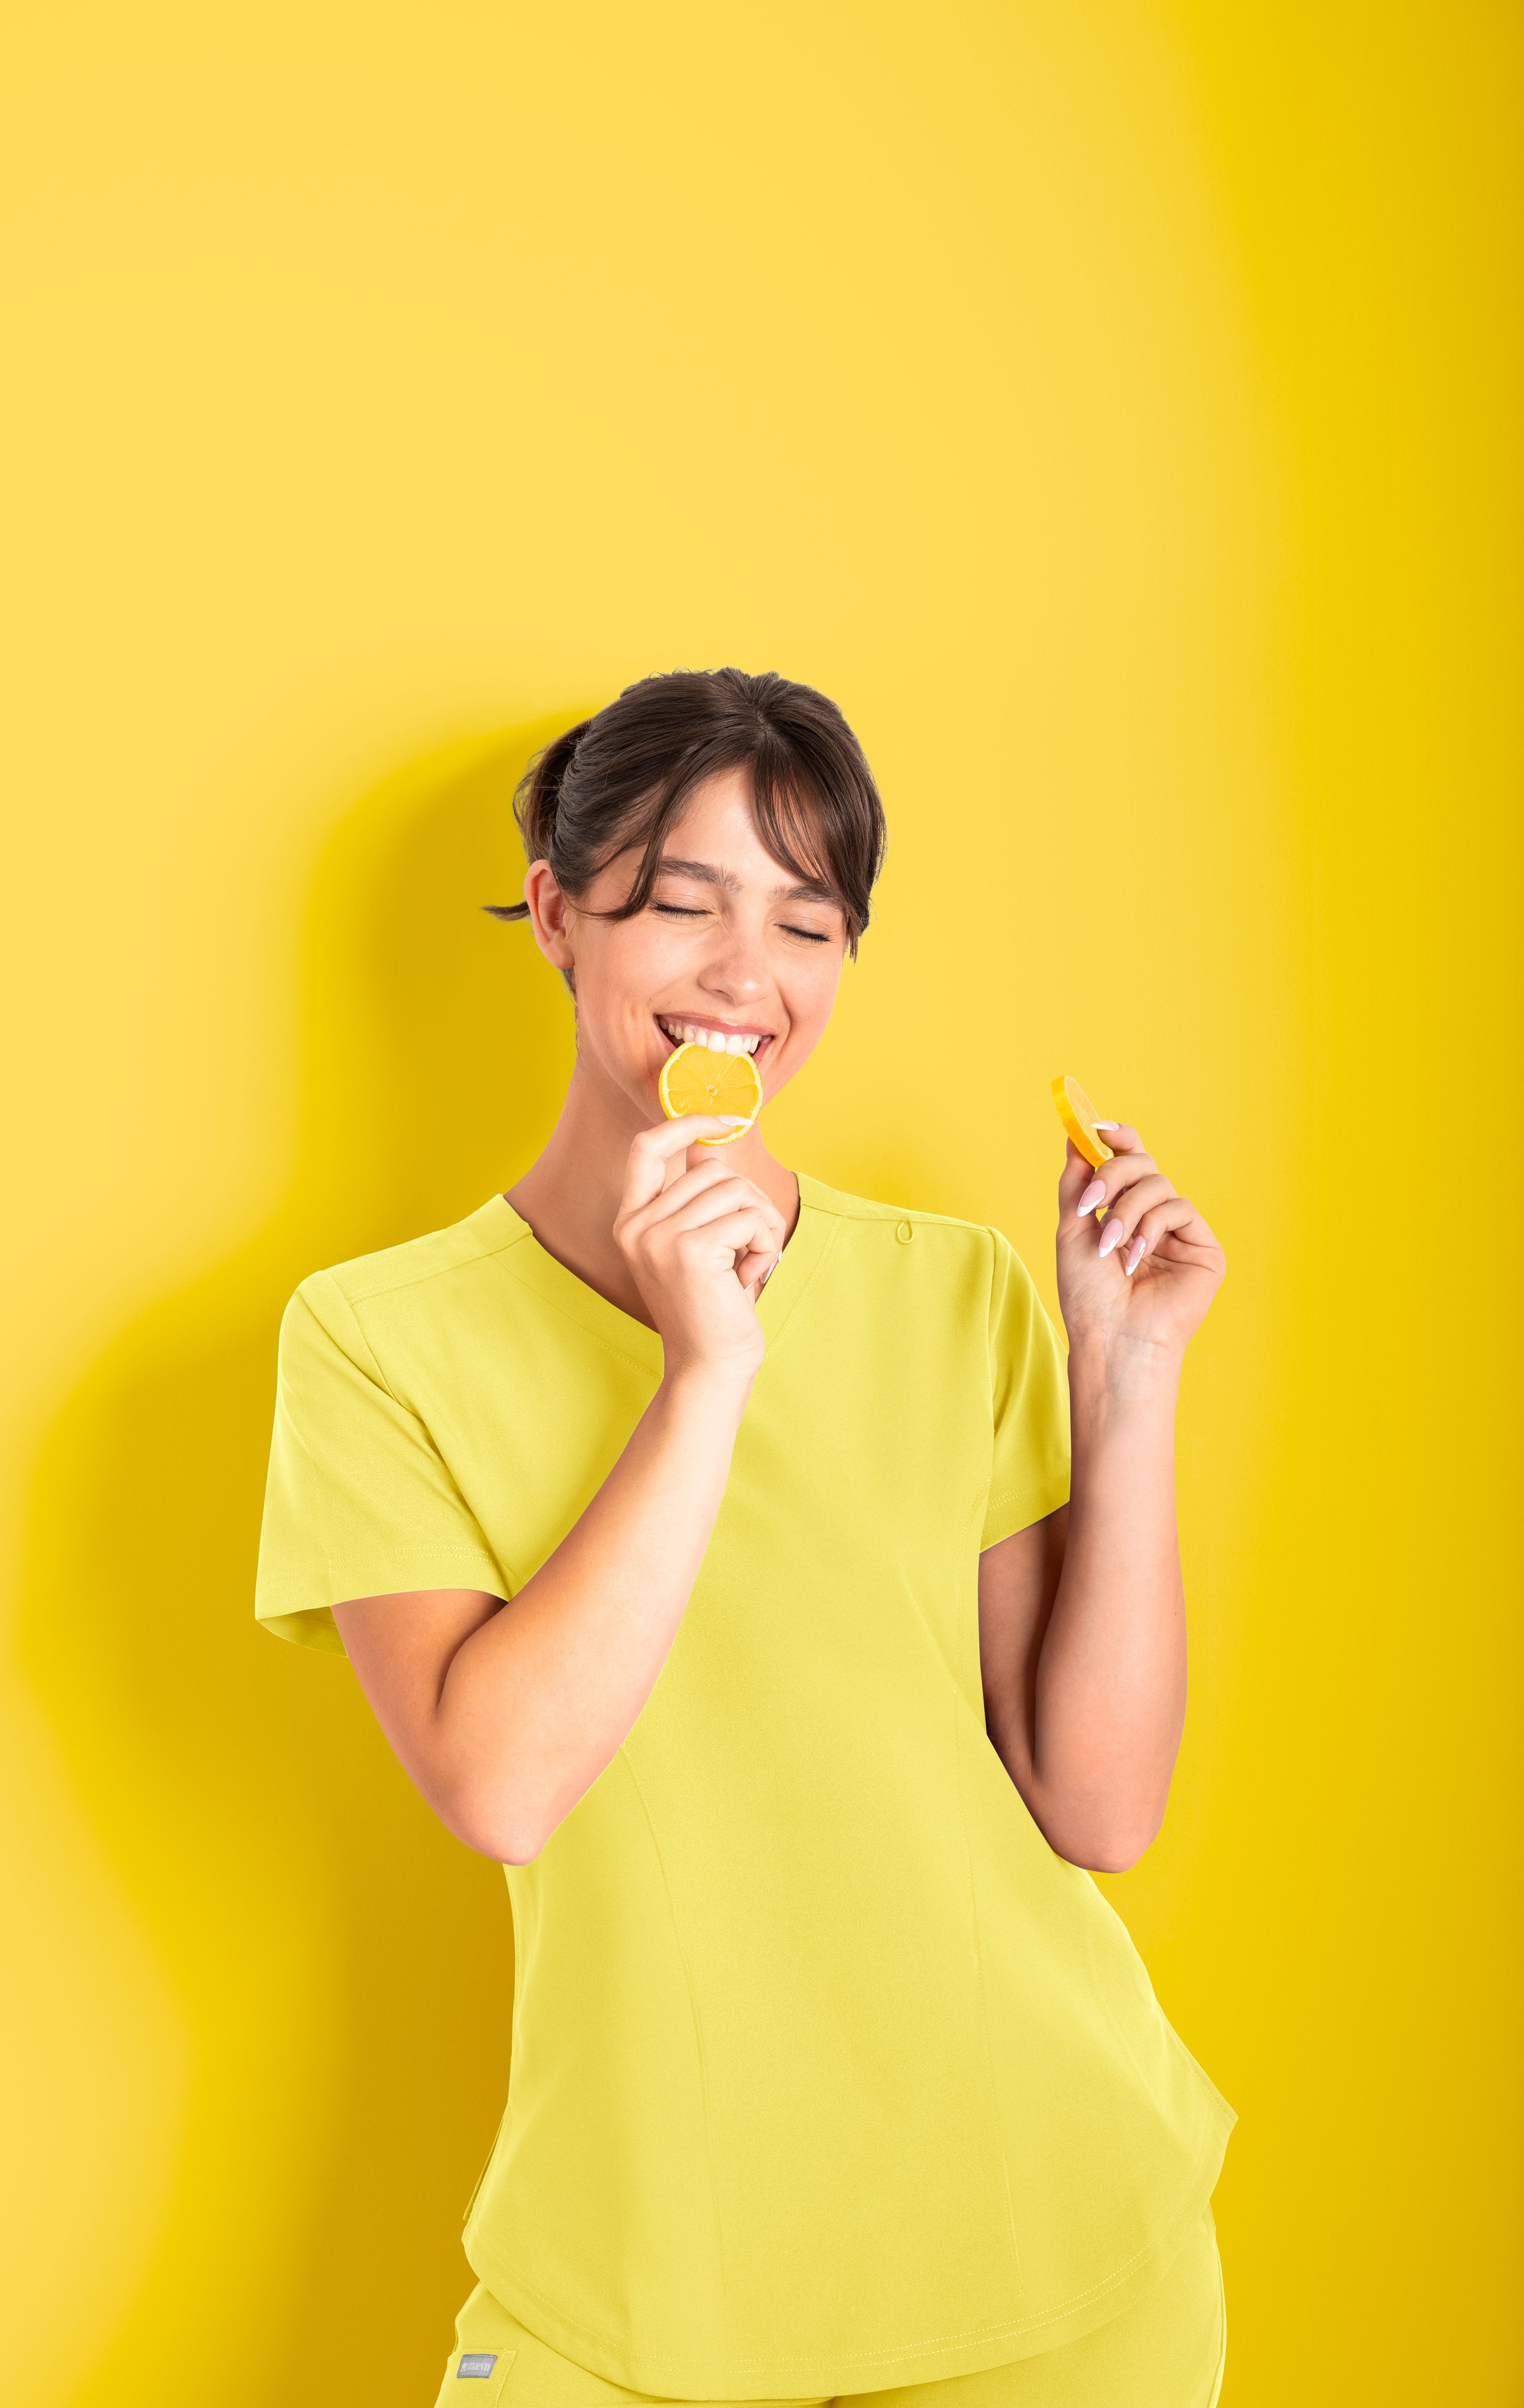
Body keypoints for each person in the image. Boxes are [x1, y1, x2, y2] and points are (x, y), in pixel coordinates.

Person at [254, 667, 1237, 2408]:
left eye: (806, 921)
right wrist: (703, 1371)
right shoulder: (375, 1339)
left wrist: (1126, 1370)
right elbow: (501, 1786)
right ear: (557, 913)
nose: (744, 974)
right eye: (680, 901)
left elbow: (1100, 1808)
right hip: (644, 2262)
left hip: (1051, 2227)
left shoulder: (952, 1287)